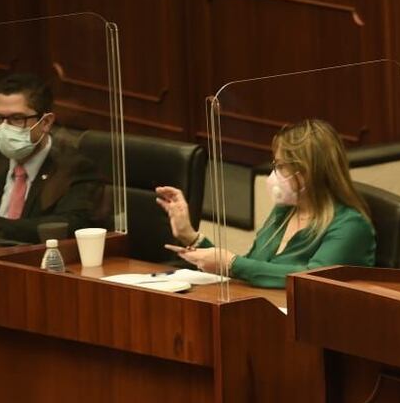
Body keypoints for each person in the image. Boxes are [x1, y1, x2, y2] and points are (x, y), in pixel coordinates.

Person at [156, 118, 375, 288]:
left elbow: (311, 281)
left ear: (308, 171)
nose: (274, 175)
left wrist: (232, 263)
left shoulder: (350, 226)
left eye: (281, 166)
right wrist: (190, 235)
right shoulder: (284, 213)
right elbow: (251, 269)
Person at [0, 73, 100, 243]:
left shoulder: (74, 168)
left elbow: (71, 224)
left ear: (45, 123)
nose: (4, 128)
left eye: (17, 119)